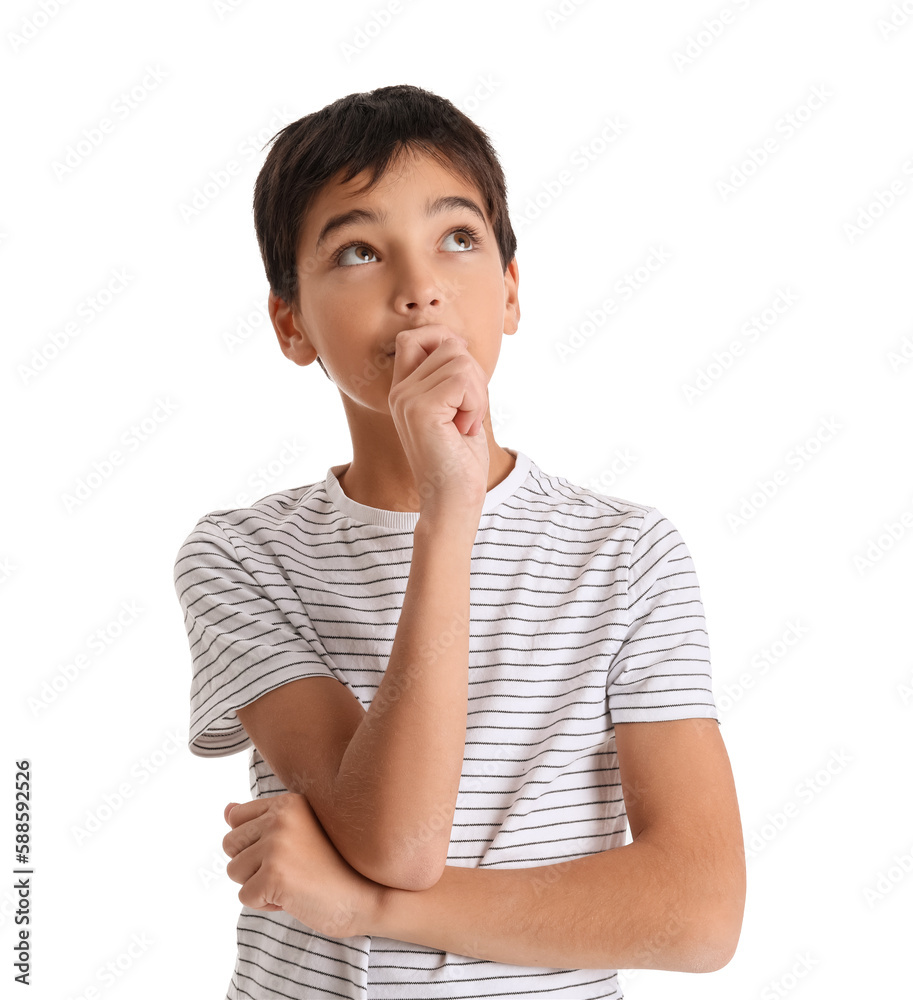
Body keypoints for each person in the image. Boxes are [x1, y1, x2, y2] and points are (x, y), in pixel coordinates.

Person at [173, 83, 745, 1000]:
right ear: (291, 324)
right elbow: (394, 838)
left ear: (510, 293)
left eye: (456, 237)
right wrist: (450, 512)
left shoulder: (626, 554)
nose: (418, 287)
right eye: (358, 250)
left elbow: (699, 914)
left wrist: (368, 909)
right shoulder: (243, 556)